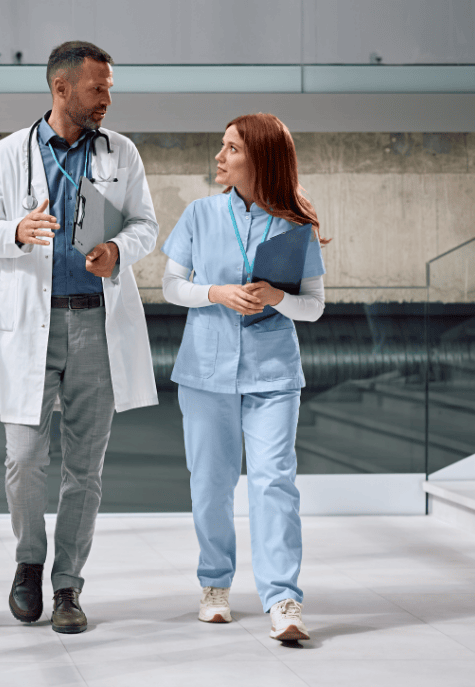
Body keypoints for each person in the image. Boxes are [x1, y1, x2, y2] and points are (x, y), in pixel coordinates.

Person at [0, 41, 159, 634]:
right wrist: (18, 232)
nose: (107, 98)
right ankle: (29, 561)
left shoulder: (121, 153)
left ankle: (68, 585)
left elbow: (145, 226)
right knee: (24, 457)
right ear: (62, 89)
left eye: (109, 87)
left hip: (94, 322)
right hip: (32, 321)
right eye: (97, 87)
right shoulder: (6, 156)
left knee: (86, 466)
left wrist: (117, 251)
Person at [160, 113, 328, 641]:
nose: (220, 156)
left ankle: (283, 599)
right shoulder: (199, 215)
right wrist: (215, 292)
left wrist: (279, 298)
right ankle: (215, 584)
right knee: (210, 484)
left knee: (274, 481)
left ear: (258, 157)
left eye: (230, 148)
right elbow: (170, 286)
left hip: (273, 374)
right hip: (204, 372)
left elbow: (315, 308)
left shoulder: (297, 225)